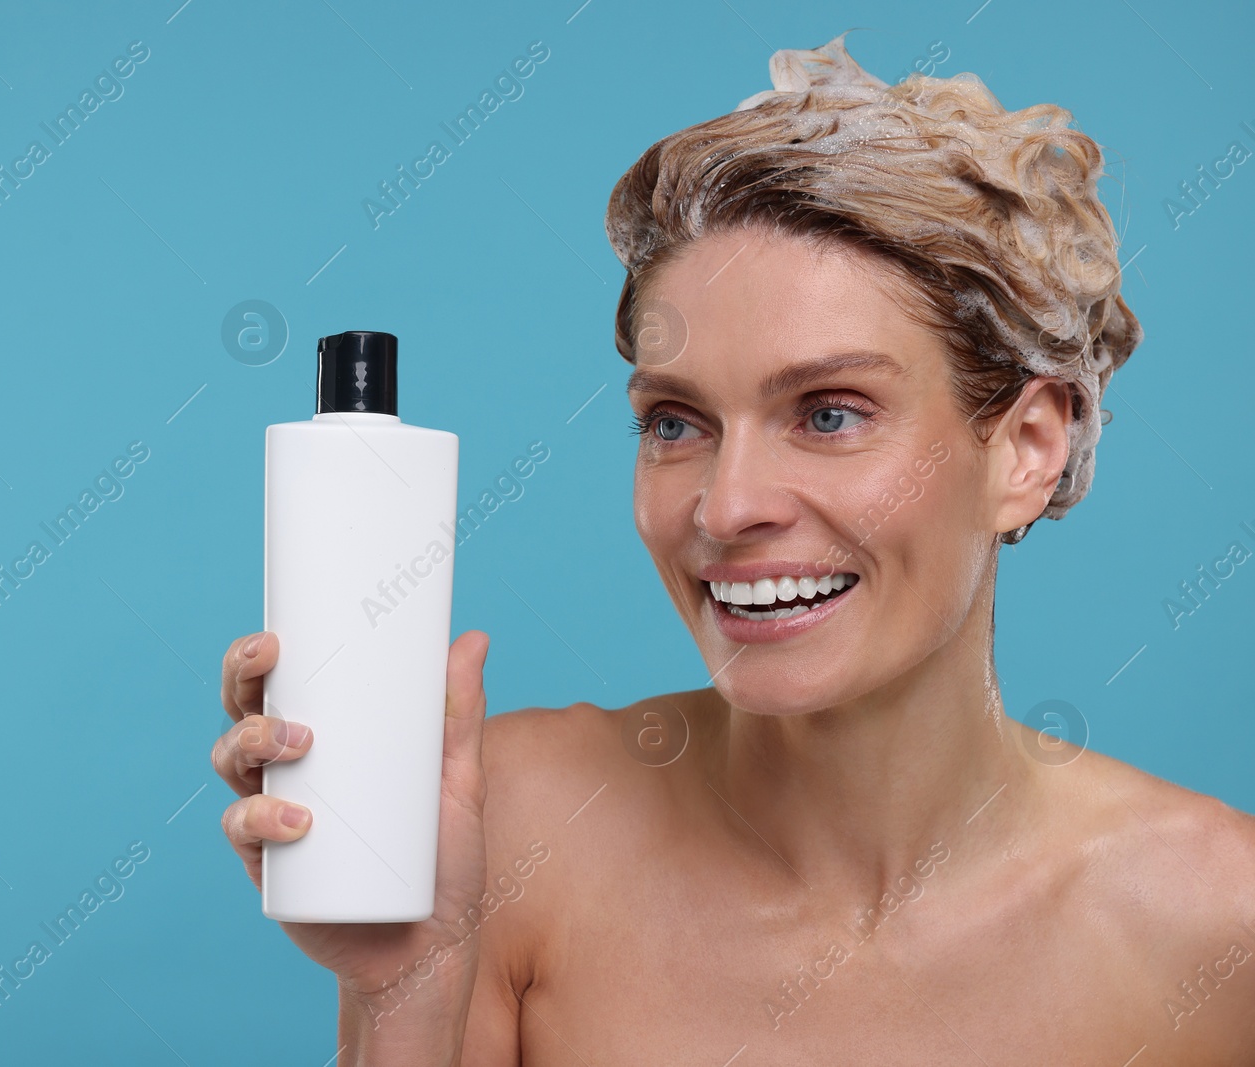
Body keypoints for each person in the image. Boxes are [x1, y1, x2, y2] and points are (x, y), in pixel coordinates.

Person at [212, 31, 1255, 1064]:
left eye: (830, 412)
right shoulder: (517, 823)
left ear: (1026, 448)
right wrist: (404, 989)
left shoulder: (1217, 918)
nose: (724, 504)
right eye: (676, 422)